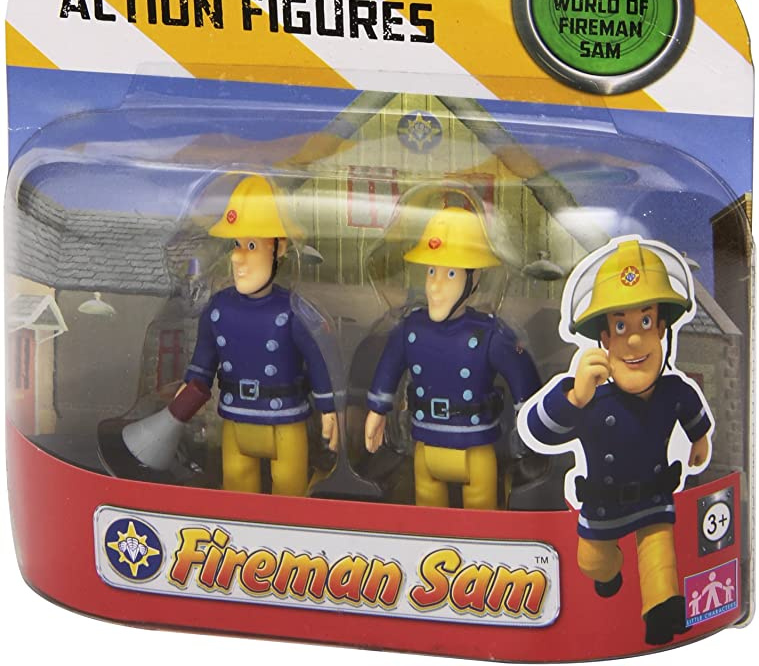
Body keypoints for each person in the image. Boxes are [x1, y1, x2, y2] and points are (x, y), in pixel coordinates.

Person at [520, 238, 712, 645]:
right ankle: (609, 572)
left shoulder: (672, 391)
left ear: (662, 329)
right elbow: (538, 432)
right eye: (621, 327)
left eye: (646, 322)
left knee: (660, 560)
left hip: (655, 497)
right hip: (603, 506)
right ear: (605, 338)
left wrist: (700, 439)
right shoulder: (592, 398)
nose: (635, 341)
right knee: (594, 562)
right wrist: (573, 397)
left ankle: (662, 614)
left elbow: (691, 407)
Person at [122, 174, 337, 496]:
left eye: (251, 245)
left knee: (289, 491)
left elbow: (318, 362)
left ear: (279, 248)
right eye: (237, 244)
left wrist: (329, 410)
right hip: (235, 418)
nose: (237, 257)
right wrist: (183, 401)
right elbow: (202, 364)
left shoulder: (293, 311)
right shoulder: (218, 309)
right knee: (236, 486)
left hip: (285, 419)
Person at [364, 205, 540, 509]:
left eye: (450, 274)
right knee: (428, 513)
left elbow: (522, 377)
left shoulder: (489, 334)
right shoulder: (410, 328)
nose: (435, 285)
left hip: (475, 448)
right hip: (425, 443)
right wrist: (377, 412)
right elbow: (387, 371)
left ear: (474, 279)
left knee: (481, 514)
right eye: (431, 271)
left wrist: (530, 427)